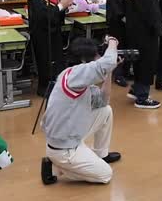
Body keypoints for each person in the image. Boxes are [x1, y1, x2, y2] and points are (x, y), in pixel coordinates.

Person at [40, 37, 121, 185]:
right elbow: (107, 63)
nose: (99, 58)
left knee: (105, 111)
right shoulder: (75, 75)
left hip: (68, 133)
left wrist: (109, 72)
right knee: (105, 175)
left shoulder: (74, 75)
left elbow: (103, 101)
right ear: (84, 60)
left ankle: (100, 155)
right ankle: (55, 167)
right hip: (63, 147)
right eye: (97, 55)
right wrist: (112, 42)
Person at [125, 0, 162, 109]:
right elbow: (152, 13)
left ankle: (136, 89)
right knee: (146, 63)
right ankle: (142, 97)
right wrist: (160, 28)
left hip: (136, 33)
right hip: (146, 35)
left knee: (140, 63)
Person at [27, 0, 74, 96]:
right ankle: (45, 88)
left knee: (56, 60)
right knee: (45, 61)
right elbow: (44, 17)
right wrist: (60, 6)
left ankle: (56, 86)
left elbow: (53, 14)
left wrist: (63, 7)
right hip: (42, 35)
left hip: (53, 33)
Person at [106, 0, 133, 87]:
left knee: (129, 46)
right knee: (119, 48)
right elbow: (115, 6)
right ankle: (118, 74)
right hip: (118, 24)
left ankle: (127, 71)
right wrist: (124, 18)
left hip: (131, 23)